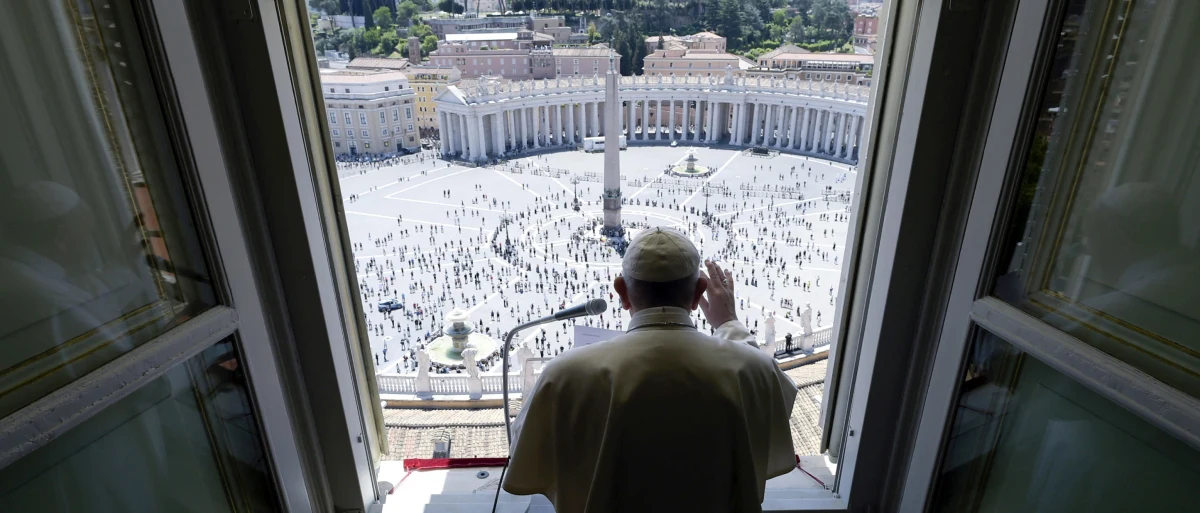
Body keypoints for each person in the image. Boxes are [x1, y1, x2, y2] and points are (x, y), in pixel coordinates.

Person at [503, 227, 797, 513]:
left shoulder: (562, 376)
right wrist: (729, 324)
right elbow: (776, 409)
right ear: (698, 294)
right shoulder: (753, 370)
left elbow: (525, 454)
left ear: (622, 291)